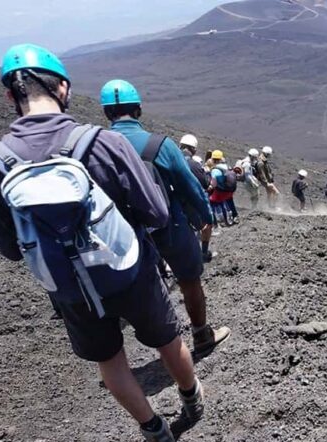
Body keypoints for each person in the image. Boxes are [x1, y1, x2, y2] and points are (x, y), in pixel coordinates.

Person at [0, 44, 202, 442]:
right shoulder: (102, 143)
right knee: (166, 339)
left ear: (10, 98)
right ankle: (191, 400)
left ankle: (155, 432)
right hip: (129, 268)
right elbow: (156, 212)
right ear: (64, 89)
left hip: (68, 286)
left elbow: (10, 249)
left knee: (111, 361)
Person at [101, 79, 231, 359]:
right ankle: (201, 335)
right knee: (189, 279)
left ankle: (161, 345)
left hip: (124, 235)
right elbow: (190, 187)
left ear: (106, 113)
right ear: (138, 110)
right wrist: (205, 217)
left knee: (142, 287)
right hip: (168, 227)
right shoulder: (160, 145)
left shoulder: (97, 148)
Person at [178, 134, 215, 262]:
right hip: (189, 204)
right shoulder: (193, 165)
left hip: (169, 203)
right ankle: (203, 253)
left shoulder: (168, 160)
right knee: (207, 224)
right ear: (193, 149)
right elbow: (205, 184)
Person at [208, 150, 236, 226]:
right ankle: (230, 218)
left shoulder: (215, 170)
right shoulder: (227, 167)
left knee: (211, 202)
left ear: (213, 159)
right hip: (229, 191)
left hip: (220, 192)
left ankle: (218, 221)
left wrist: (210, 187)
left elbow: (214, 183)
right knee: (225, 202)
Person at [254, 146, 279, 210]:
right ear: (266, 154)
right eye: (269, 154)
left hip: (267, 180)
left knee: (269, 193)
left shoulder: (263, 160)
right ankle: (273, 207)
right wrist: (266, 183)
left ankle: (269, 206)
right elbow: (262, 174)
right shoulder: (261, 163)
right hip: (266, 181)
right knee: (276, 193)